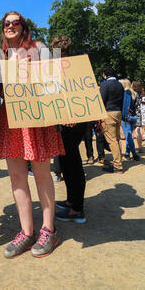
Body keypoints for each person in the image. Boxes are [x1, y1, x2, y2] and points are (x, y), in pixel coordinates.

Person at [0, 12, 65, 258]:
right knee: (16, 177)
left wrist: (64, 108)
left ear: (24, 27)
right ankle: (26, 232)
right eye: (6, 23)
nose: (10, 26)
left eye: (16, 23)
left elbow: (55, 81)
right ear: (3, 29)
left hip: (36, 119)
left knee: (43, 176)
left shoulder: (39, 48)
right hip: (10, 120)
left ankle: (48, 230)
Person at [50, 35, 87, 223]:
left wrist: (72, 115)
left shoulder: (72, 67)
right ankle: (72, 201)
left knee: (72, 164)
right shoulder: (64, 67)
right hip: (67, 121)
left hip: (73, 121)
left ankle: (77, 209)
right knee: (66, 162)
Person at [99, 66, 124, 173]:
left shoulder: (105, 84)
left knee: (112, 140)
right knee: (117, 138)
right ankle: (118, 161)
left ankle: (118, 165)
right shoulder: (120, 84)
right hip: (118, 112)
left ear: (104, 74)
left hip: (109, 113)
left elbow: (101, 100)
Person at [119, 79, 140, 161]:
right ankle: (127, 153)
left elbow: (125, 107)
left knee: (128, 136)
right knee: (129, 135)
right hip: (134, 116)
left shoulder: (126, 93)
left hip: (127, 117)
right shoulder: (135, 93)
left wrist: (124, 116)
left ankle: (134, 154)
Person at [131, 81, 145, 152]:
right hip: (139, 113)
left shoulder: (133, 94)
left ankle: (131, 148)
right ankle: (140, 146)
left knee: (133, 131)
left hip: (133, 113)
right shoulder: (140, 94)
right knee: (139, 129)